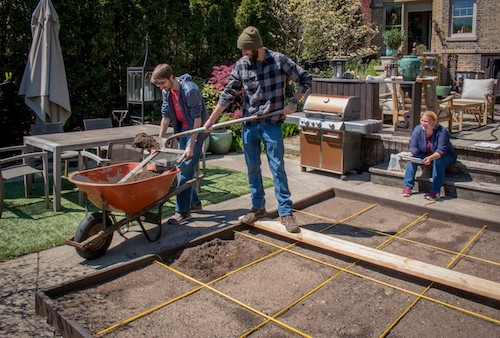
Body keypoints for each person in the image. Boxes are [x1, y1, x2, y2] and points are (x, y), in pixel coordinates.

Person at [203, 26, 312, 233]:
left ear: (257, 47)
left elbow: (305, 79)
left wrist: (292, 102)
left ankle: (285, 212)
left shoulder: (279, 60)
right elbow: (227, 95)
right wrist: (210, 121)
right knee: (252, 168)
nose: (243, 54)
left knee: (277, 167)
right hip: (249, 125)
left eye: (246, 50)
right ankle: (258, 207)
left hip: (272, 124)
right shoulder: (242, 65)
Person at [151, 64, 208, 223]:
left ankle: (183, 212)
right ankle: (194, 203)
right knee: (182, 170)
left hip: (196, 132)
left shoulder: (190, 90)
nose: (161, 87)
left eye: (162, 83)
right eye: (158, 85)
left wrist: (191, 145)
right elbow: (166, 117)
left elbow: (197, 119)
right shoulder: (166, 92)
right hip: (182, 132)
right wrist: (160, 141)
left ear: (171, 77)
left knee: (184, 170)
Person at [401, 111, 457, 200]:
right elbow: (414, 147)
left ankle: (435, 191)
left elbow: (440, 151)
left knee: (438, 161)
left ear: (433, 122)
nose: (423, 123)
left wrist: (430, 158)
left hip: (445, 155)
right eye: (422, 121)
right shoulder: (418, 130)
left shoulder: (442, 131)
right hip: (425, 153)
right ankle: (408, 186)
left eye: (426, 121)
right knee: (412, 159)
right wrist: (409, 155)